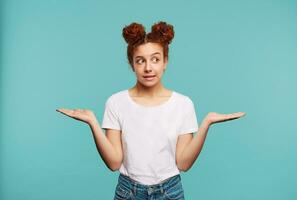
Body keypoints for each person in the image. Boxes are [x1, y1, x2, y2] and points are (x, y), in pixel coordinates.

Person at [56, 21, 246, 200]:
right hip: (128, 191)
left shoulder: (183, 104)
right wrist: (92, 122)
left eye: (155, 59)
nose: (148, 68)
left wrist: (206, 123)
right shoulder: (116, 102)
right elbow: (114, 163)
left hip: (170, 191)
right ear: (132, 64)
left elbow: (184, 164)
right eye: (140, 61)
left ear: (165, 62)